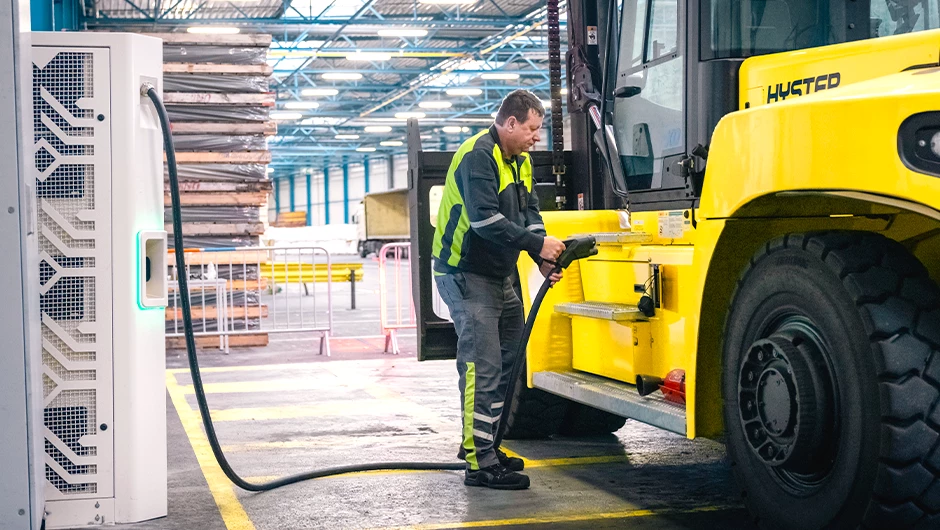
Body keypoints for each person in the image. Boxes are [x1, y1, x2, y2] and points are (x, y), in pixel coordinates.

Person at [431, 89, 567, 490]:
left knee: (508, 362)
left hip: (499, 275)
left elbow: (530, 212)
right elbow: (484, 222)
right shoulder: (479, 156)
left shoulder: (520, 160)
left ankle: (485, 444)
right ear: (510, 123)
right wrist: (535, 246)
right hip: (465, 274)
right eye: (531, 129)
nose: (535, 137)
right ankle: (478, 463)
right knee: (482, 365)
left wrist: (541, 255)